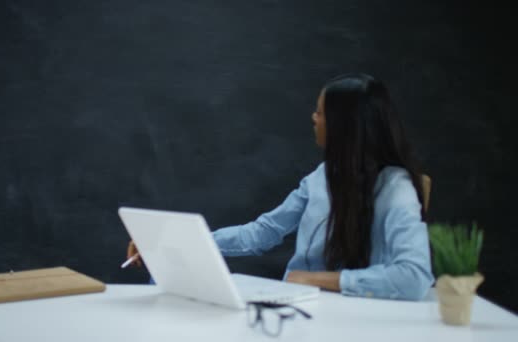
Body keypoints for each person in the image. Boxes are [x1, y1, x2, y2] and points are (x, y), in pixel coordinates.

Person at [126, 73, 434, 300]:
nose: (313, 119)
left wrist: (318, 280)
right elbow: (261, 233)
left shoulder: (396, 189)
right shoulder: (322, 176)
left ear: (344, 126)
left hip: (352, 318)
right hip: (296, 307)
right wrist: (171, 243)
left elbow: (414, 276)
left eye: (320, 112)